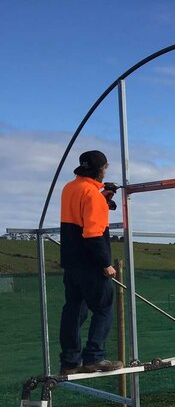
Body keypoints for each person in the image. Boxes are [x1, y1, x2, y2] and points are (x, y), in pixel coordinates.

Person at [58, 150, 124, 375]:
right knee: (104, 308)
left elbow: (81, 215)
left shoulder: (70, 188)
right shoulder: (92, 195)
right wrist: (105, 263)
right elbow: (93, 233)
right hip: (91, 263)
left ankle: (69, 362)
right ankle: (94, 357)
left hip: (71, 261)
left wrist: (103, 198)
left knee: (74, 310)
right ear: (102, 168)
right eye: (106, 167)